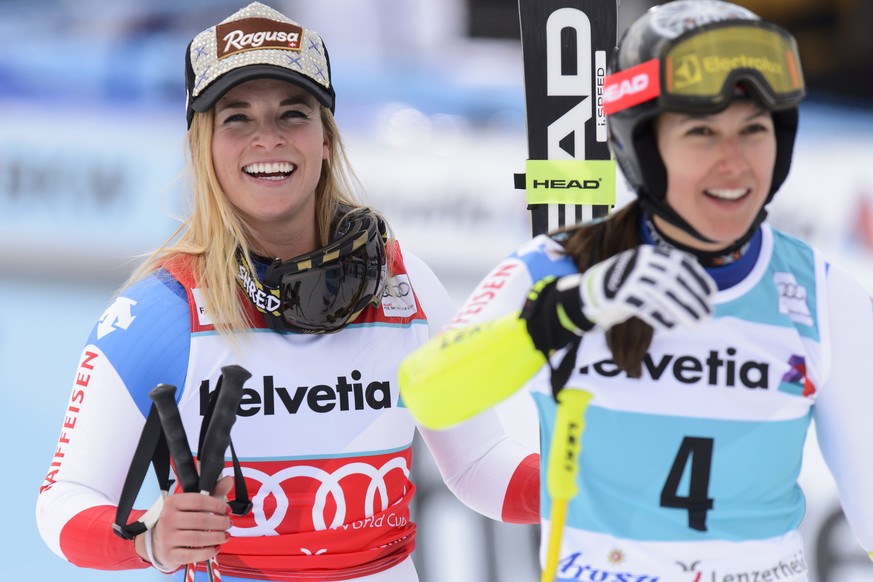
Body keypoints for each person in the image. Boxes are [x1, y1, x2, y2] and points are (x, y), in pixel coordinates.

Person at [35, 3, 540, 581]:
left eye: (292, 114)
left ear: (326, 138)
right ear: (203, 146)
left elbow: (479, 465)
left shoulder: (402, 285)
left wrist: (578, 484)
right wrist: (147, 538)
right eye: (237, 118)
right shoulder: (160, 310)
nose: (267, 139)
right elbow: (63, 501)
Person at [398, 1, 873, 580]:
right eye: (701, 133)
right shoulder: (558, 268)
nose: (734, 163)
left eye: (754, 131)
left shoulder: (823, 297)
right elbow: (429, 394)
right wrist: (572, 310)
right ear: (641, 147)